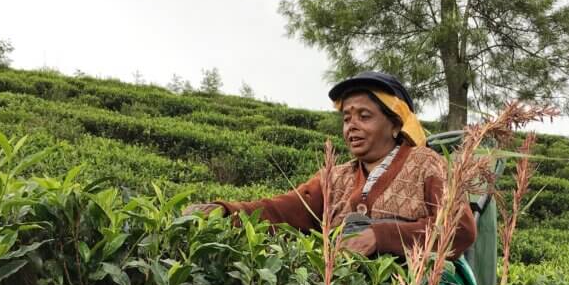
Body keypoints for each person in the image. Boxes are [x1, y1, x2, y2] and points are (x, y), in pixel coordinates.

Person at [186, 72, 477, 265]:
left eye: (365, 116)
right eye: (347, 118)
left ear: (396, 125)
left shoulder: (425, 163)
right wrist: (227, 211)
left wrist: (380, 236)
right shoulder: (335, 177)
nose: (352, 126)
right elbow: (283, 211)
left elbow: (459, 229)